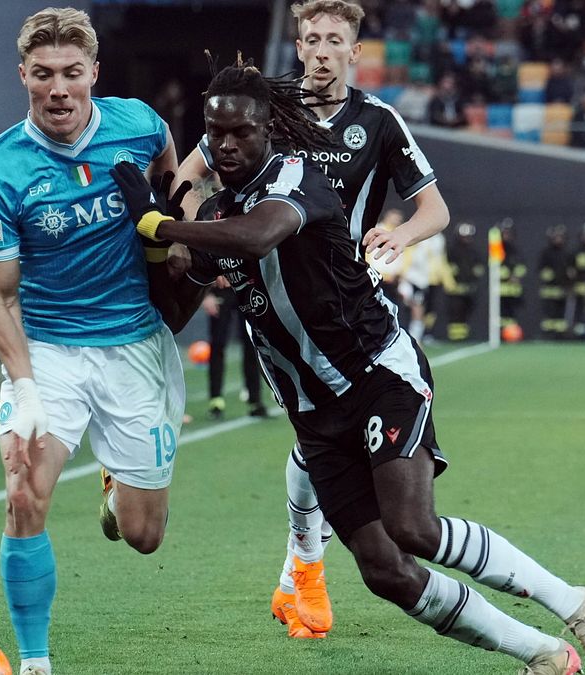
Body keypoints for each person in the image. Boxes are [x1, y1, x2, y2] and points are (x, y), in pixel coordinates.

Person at [113, 59, 585, 675]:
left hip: (377, 374)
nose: (225, 145)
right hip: (313, 415)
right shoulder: (219, 214)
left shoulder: (296, 179)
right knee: (385, 571)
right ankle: (543, 654)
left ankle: (575, 603)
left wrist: (160, 221)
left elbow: (257, 237)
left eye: (240, 131)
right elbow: (174, 308)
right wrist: (156, 245)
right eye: (215, 132)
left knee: (414, 527)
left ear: (269, 129)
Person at [174, 0, 451, 640]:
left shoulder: (378, 121)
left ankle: (302, 567)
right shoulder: (263, 114)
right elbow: (189, 173)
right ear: (298, 47)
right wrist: (201, 242)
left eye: (334, 40)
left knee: (321, 436)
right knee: (313, 432)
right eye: (311, 38)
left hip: (347, 303)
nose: (322, 50)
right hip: (275, 294)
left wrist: (400, 234)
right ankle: (303, 566)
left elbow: (434, 209)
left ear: (355, 51)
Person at [0, 9, 184, 675]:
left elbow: (174, 173)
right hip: (49, 351)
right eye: (43, 74)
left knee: (144, 535)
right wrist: (25, 388)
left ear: (94, 72)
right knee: (22, 490)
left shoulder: (138, 125)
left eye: (71, 73)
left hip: (134, 347)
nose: (58, 89)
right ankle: (35, 660)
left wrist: (175, 224)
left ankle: (116, 486)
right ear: (23, 76)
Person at [202, 281, 266, 419]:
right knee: (218, 343)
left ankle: (255, 401)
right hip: (220, 289)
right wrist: (206, 294)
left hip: (245, 288)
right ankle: (216, 401)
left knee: (252, 343)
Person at [445, 221, 483, 341]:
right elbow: (448, 267)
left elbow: (479, 267)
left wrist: (474, 275)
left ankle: (463, 336)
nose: (466, 239)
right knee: (455, 312)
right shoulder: (452, 251)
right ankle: (454, 337)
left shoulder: (474, 252)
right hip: (455, 289)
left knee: (467, 312)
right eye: (464, 237)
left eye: (468, 237)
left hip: (470, 288)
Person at [538, 224, 571, 339]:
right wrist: (554, 275)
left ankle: (560, 336)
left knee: (560, 316)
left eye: (560, 237)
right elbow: (542, 272)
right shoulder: (546, 253)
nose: (558, 239)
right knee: (549, 316)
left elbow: (570, 272)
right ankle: (547, 335)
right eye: (556, 237)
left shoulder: (566, 254)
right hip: (549, 291)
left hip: (562, 291)